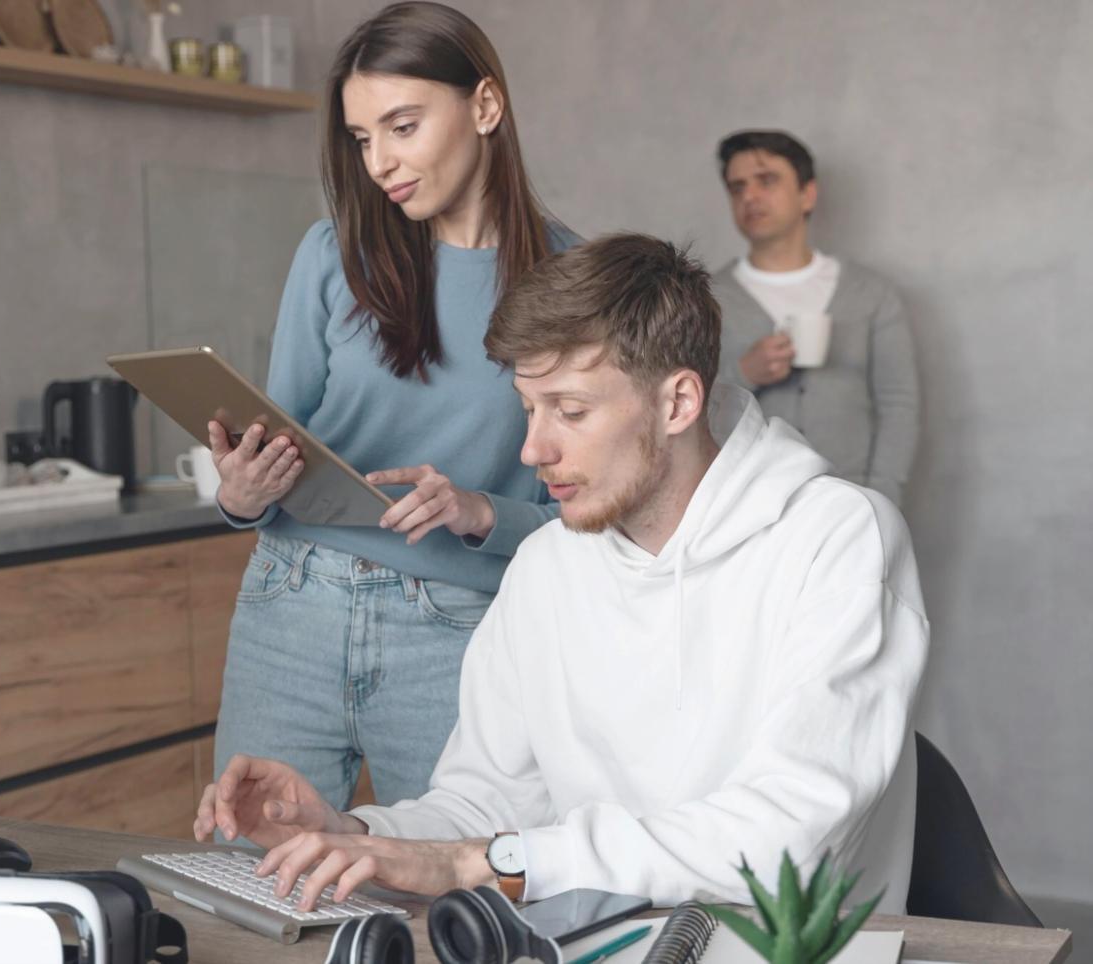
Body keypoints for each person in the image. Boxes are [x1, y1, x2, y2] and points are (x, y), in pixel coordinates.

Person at [195, 233, 929, 912]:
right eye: (528, 409)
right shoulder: (547, 564)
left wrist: (492, 862)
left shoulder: (836, 540)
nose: (533, 451)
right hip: (590, 945)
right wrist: (353, 834)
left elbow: (786, 843)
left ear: (678, 401)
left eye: (570, 411)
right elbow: (485, 806)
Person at [209, 1, 580, 812]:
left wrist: (481, 511)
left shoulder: (575, 283)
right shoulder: (332, 254)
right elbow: (277, 445)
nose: (379, 162)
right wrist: (242, 494)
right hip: (290, 603)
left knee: (466, 873)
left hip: (458, 630)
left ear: (486, 106)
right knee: (252, 867)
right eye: (361, 138)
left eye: (402, 127)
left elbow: (591, 516)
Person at [710, 130, 919, 506]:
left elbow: (899, 404)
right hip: (745, 506)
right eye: (737, 187)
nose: (749, 196)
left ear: (807, 193)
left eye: (766, 180)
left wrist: (880, 499)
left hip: (850, 502)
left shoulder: (870, 293)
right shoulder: (708, 299)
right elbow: (683, 406)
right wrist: (742, 373)